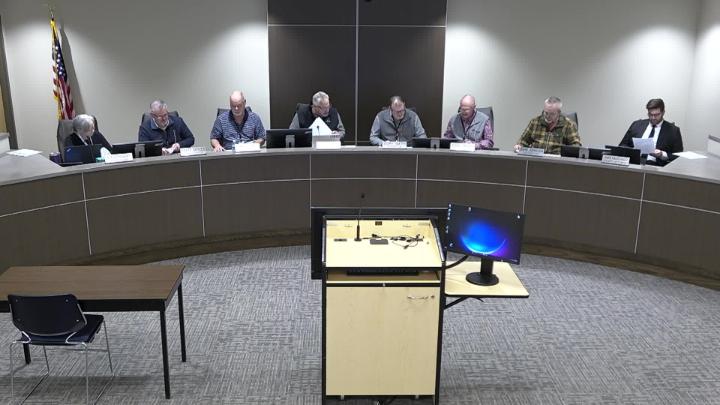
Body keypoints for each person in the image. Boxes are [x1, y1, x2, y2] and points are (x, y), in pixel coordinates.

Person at [619, 98, 683, 166]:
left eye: (656, 115)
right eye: (650, 114)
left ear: (663, 112)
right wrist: (633, 151)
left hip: (657, 167)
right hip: (634, 164)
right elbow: (622, 146)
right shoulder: (636, 125)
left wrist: (661, 154)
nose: (653, 118)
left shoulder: (673, 131)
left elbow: (678, 156)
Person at [514, 96, 581, 154]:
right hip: (536, 159)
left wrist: (564, 153)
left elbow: (576, 146)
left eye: (552, 114)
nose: (548, 116)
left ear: (559, 113)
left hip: (557, 161)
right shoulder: (535, 122)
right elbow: (523, 141)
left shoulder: (568, 125)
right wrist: (519, 146)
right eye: (546, 113)